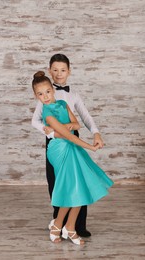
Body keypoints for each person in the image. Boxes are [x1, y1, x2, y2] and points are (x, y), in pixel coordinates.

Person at [32, 71, 114, 245]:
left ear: (52, 90)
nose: (45, 97)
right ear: (36, 96)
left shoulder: (62, 103)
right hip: (59, 149)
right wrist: (90, 146)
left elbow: (76, 124)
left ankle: (69, 227)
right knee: (70, 187)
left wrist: (69, 125)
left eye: (47, 91)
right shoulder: (47, 113)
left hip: (72, 146)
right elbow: (68, 136)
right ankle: (57, 225)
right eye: (40, 94)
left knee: (81, 185)